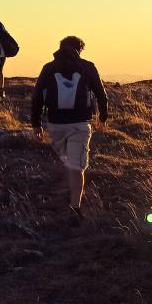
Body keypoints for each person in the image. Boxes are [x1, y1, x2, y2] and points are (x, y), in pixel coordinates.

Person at [31, 36, 109, 214]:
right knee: (76, 165)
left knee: (66, 160)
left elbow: (37, 98)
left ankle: (66, 190)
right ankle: (75, 205)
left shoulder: (49, 68)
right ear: (80, 49)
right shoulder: (87, 67)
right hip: (80, 124)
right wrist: (102, 118)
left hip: (55, 124)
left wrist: (36, 124)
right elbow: (101, 94)